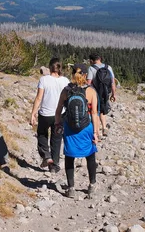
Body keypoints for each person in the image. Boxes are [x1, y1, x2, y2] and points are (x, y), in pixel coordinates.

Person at [55, 63, 99, 200]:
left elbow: (58, 110)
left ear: (73, 74)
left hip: (69, 127)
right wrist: (96, 133)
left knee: (70, 156)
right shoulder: (91, 91)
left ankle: (71, 188)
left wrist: (58, 124)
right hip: (86, 128)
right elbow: (94, 114)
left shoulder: (66, 90)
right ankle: (92, 186)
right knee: (90, 155)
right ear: (85, 75)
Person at [30, 57, 69, 173]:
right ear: (60, 68)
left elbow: (38, 98)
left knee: (42, 134)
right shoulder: (65, 81)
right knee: (57, 138)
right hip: (60, 114)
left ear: (50, 67)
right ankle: (54, 164)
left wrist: (33, 113)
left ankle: (47, 156)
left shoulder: (44, 80)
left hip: (45, 113)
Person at [87, 53, 116, 137]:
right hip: (106, 92)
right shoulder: (108, 67)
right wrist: (113, 94)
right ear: (100, 59)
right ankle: (104, 128)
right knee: (103, 110)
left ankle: (97, 132)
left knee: (95, 111)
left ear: (92, 61)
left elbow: (89, 83)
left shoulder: (91, 68)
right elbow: (112, 82)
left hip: (95, 93)